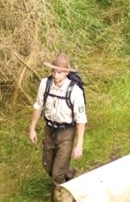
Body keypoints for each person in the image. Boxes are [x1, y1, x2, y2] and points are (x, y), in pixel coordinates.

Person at [28, 53, 87, 185]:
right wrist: (32, 128)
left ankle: (62, 195)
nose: (56, 76)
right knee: (47, 165)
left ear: (66, 72)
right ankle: (69, 174)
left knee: (56, 174)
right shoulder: (45, 84)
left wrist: (79, 145)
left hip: (67, 132)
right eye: (54, 71)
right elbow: (38, 106)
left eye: (59, 73)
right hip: (49, 130)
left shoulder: (75, 91)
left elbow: (81, 119)